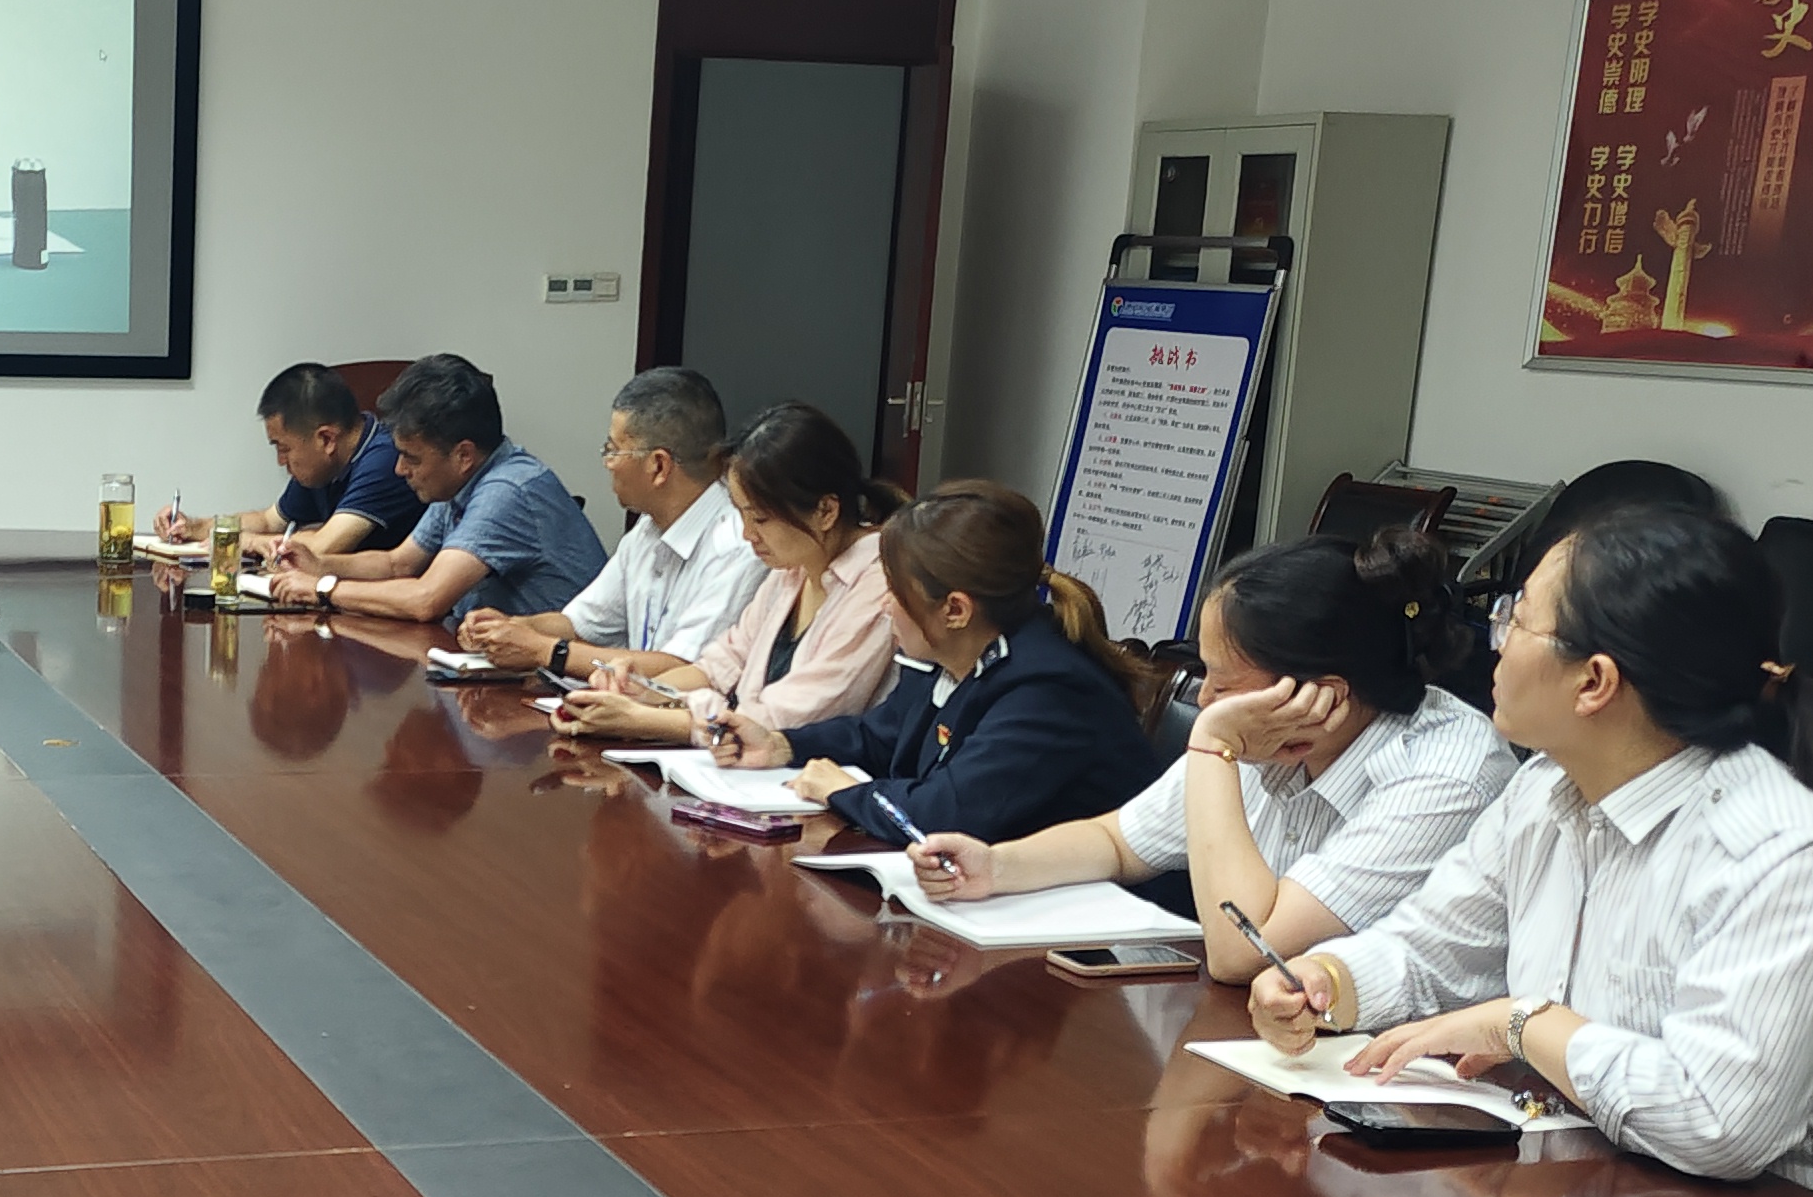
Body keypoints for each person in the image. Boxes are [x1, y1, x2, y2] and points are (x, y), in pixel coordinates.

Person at [1248, 508, 1813, 1197]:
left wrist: (1522, 1025)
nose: (1496, 640)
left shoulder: (1779, 846)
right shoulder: (1543, 790)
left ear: (1594, 681)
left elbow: (1721, 1122)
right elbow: (1431, 946)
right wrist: (1326, 980)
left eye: (1516, 618)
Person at [907, 526, 1514, 980]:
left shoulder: (1445, 775)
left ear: (1320, 696)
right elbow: (1117, 842)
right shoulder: (1268, 734)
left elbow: (1247, 953)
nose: (1205, 699)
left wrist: (1214, 747)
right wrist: (996, 867)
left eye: (1224, 681)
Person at [710, 480, 1165, 841]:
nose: (885, 606)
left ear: (955, 610)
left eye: (896, 592)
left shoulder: (1049, 689)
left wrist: (847, 792)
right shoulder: (952, 654)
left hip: (1105, 915)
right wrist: (782, 746)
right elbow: (881, 735)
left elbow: (946, 813)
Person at [546, 402, 906, 746]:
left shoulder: (879, 582)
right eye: (741, 514)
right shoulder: (794, 568)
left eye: (760, 518)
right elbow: (719, 665)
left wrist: (643, 720)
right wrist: (641, 693)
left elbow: (787, 719)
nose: (748, 534)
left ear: (825, 511)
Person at [459, 366, 758, 677]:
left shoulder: (738, 544)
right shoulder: (648, 527)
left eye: (613, 450)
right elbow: (581, 624)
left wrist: (543, 650)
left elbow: (685, 670)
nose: (608, 463)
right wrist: (509, 627)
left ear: (658, 465)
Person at [265, 354, 603, 625]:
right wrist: (319, 564)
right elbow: (398, 564)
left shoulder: (507, 491)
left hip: (560, 676)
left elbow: (427, 599)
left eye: (411, 458)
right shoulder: (461, 482)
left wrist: (323, 589)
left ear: (463, 455)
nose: (399, 469)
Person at [182, 362, 417, 557]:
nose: (280, 461)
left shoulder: (386, 459)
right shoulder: (324, 467)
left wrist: (248, 542)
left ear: (326, 439)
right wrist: (194, 527)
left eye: (284, 448)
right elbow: (269, 521)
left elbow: (323, 546)